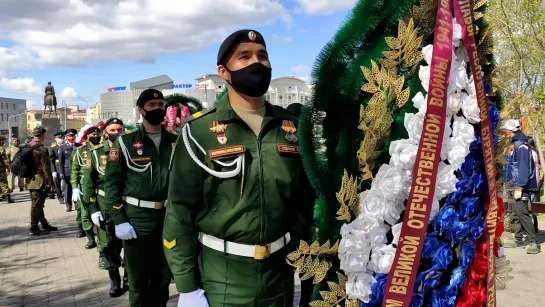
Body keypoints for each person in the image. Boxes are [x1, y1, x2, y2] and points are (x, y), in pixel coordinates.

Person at [163, 29, 314, 307]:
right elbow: (180, 213)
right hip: (223, 277)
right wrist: (187, 287)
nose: (257, 63)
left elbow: (305, 205)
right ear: (224, 71)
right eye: (244, 57)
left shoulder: (290, 127)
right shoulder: (199, 132)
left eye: (262, 56)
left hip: (279, 274)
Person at [104, 89, 176, 307]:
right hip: (137, 220)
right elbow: (112, 184)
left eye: (160, 104)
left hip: (168, 218)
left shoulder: (177, 141)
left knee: (163, 279)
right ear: (141, 110)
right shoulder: (125, 143)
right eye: (152, 105)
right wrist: (119, 219)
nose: (157, 109)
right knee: (138, 281)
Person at [84, 119, 129, 297]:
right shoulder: (95, 154)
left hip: (127, 203)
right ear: (105, 132)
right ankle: (114, 279)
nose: (116, 132)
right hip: (105, 205)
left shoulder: (130, 151)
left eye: (119, 129)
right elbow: (88, 184)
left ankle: (128, 277)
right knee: (108, 244)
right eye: (112, 129)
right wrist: (93, 208)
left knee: (130, 242)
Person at [501, 119, 540, 254]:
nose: (505, 133)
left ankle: (532, 241)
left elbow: (523, 167)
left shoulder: (522, 145)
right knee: (517, 212)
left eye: (506, 130)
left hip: (520, 185)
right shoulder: (517, 144)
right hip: (515, 183)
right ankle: (518, 238)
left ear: (511, 131)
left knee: (522, 212)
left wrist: (520, 186)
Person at [27, 126, 58, 235]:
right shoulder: (41, 148)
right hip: (39, 180)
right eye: (44, 134)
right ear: (41, 135)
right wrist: (51, 182)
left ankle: (44, 224)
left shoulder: (28, 145)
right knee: (36, 205)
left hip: (30, 179)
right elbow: (46, 167)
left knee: (38, 203)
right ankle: (34, 227)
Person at [70, 129, 96, 248]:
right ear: (87, 137)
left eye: (97, 134)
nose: (95, 136)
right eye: (93, 135)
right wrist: (75, 187)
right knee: (84, 212)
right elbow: (74, 170)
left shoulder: (103, 150)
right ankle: (90, 238)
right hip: (84, 185)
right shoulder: (80, 151)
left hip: (99, 185)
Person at [59, 128, 77, 213]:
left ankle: (77, 205)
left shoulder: (79, 146)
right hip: (67, 171)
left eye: (73, 135)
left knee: (77, 189)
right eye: (69, 135)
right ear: (66, 137)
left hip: (77, 171)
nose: (71, 137)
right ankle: (68, 205)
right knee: (68, 190)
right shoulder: (63, 147)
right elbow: (61, 162)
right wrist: (61, 172)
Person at [50, 131, 66, 208]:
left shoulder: (66, 146)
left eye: (62, 137)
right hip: (57, 167)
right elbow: (51, 160)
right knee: (57, 183)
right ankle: (60, 197)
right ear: (55, 139)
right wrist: (53, 171)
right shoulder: (53, 148)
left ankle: (67, 196)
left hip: (65, 167)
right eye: (59, 138)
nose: (61, 139)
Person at [528, 136, 541, 202]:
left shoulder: (531, 152)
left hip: (532, 175)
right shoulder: (535, 151)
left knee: (531, 193)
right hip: (534, 175)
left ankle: (531, 208)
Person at [0, 136, 12, 203]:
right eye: (2, 140)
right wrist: (8, 167)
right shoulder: (1, 149)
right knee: (4, 182)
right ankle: (8, 198)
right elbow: (4, 160)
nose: (3, 142)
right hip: (1, 168)